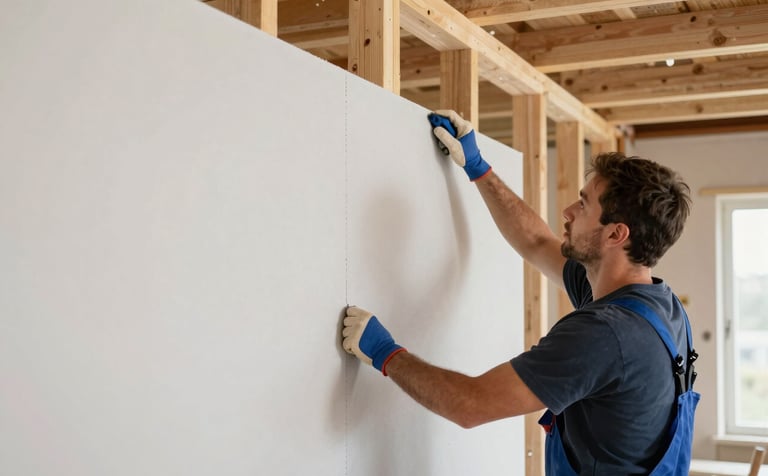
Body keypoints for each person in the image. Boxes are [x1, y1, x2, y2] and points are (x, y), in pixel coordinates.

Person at [341, 109, 699, 475]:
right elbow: (536, 241)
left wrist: (385, 354)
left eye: (585, 204)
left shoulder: (606, 334)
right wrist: (478, 168)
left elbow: (470, 404)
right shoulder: (658, 307)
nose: (569, 210)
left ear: (615, 234)